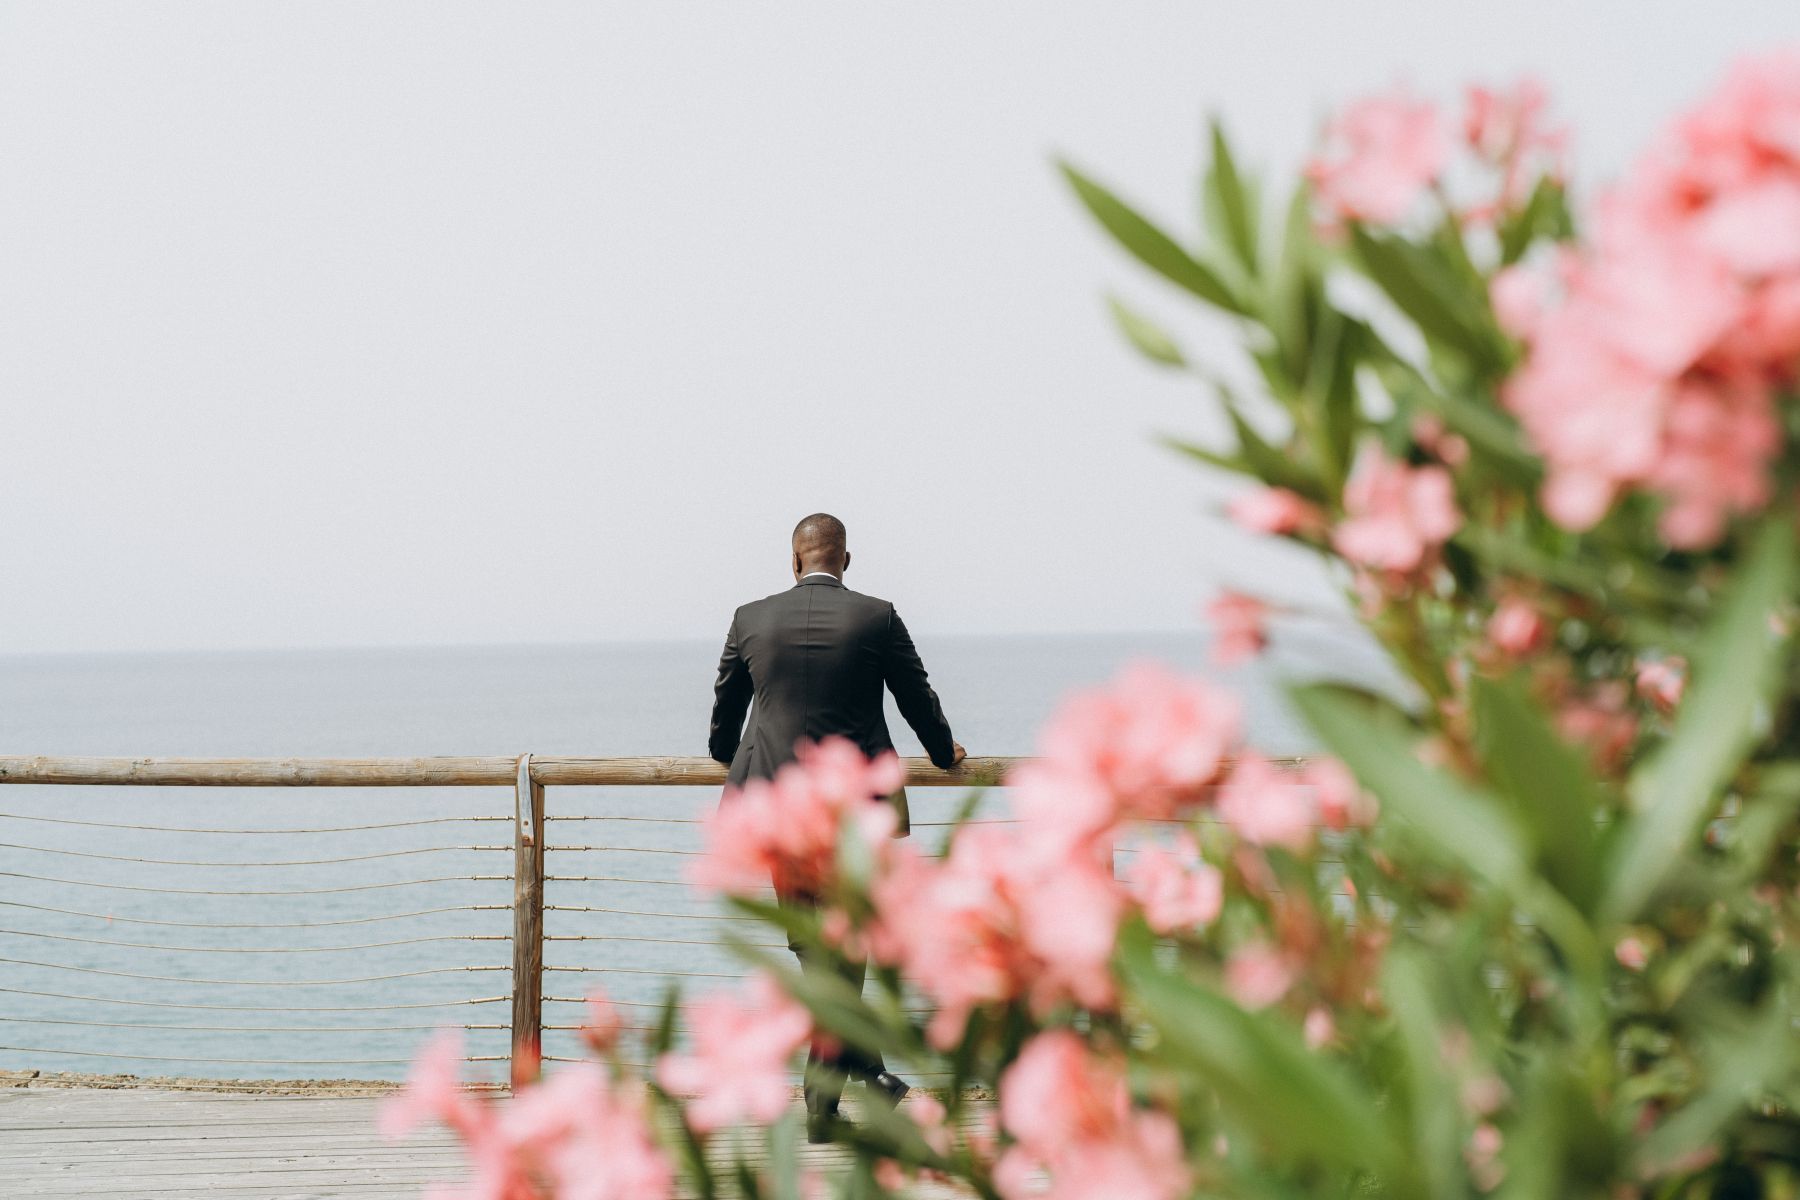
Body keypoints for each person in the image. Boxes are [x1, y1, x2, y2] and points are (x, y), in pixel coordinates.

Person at [707, 512, 965, 1140]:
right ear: (845, 560)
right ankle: (864, 1075)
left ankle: (829, 1101)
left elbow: (725, 707)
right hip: (858, 811)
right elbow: (915, 695)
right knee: (847, 948)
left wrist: (726, 755)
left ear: (794, 561)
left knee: (812, 947)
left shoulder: (750, 618)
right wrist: (942, 752)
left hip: (776, 805)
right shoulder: (875, 615)